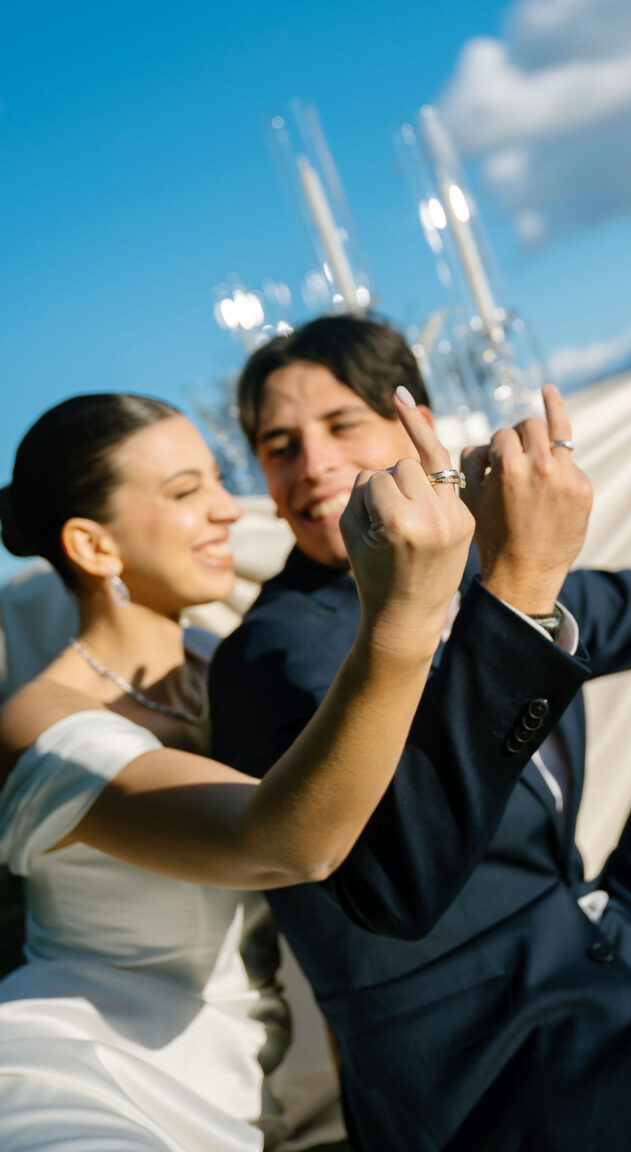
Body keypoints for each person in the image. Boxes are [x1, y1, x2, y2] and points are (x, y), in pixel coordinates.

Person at [210, 313, 631, 1152]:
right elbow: (392, 884)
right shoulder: (271, 655)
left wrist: (513, 582)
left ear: (417, 425)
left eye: (340, 424)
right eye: (279, 447)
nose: (312, 465)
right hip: (499, 1074)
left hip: (615, 946)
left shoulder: (487, 571)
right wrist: (521, 586)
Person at [0, 388, 480, 1152]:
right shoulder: (42, 723)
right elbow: (287, 843)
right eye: (186, 492)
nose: (228, 510)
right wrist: (405, 615)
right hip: (85, 1085)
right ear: (93, 547)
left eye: (221, 481)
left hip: (248, 1095)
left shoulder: (221, 664)